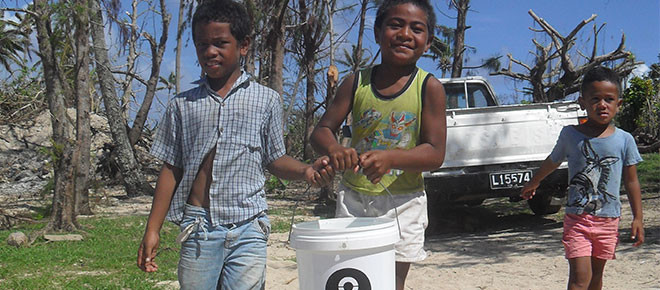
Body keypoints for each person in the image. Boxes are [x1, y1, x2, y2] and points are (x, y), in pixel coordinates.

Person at [136, 1, 334, 289]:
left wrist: (306, 171)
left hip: (249, 226)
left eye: (220, 43)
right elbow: (171, 167)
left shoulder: (266, 100)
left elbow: (275, 158)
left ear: (243, 46)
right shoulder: (182, 105)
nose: (209, 52)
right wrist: (152, 228)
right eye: (202, 44)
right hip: (198, 227)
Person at [311, 1, 446, 289]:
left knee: (390, 282)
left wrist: (391, 159)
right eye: (395, 24)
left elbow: (435, 153)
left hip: (403, 202)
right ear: (377, 32)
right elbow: (321, 130)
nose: (405, 34)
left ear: (428, 42)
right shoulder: (355, 83)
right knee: (351, 275)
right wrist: (335, 150)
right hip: (354, 198)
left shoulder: (429, 88)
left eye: (417, 28)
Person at [521, 66, 644, 290]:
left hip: (609, 221)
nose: (602, 105)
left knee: (596, 278)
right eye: (595, 99)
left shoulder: (624, 140)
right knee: (579, 280)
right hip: (578, 219)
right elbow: (553, 161)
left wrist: (638, 218)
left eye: (609, 99)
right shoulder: (570, 134)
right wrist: (534, 181)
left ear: (619, 104)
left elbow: (632, 181)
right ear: (582, 102)